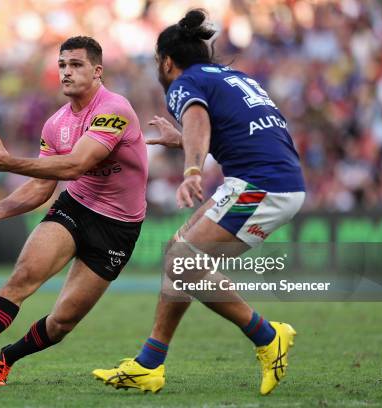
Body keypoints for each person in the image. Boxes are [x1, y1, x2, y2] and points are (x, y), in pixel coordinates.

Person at [92, 9, 306, 395]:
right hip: (267, 180)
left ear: (167, 61)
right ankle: (149, 364)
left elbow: (200, 124)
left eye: (158, 62)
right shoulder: (234, 76)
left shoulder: (184, 83)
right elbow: (233, 130)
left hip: (260, 185)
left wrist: (191, 170)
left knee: (182, 263)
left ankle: (266, 335)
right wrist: (184, 140)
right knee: (179, 255)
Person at [0, 36, 148, 386]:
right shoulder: (56, 124)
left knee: (62, 322)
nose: (66, 72)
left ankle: (7, 357)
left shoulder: (114, 110)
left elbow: (74, 165)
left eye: (76, 65)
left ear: (98, 71)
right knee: (22, 278)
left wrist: (11, 164)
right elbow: (44, 186)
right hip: (76, 207)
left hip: (118, 227)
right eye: (62, 65)